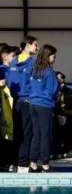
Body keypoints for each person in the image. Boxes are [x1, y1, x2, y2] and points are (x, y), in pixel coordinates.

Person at [7, 36, 37, 172]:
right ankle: (23, 163)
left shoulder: (13, 61)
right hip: (26, 101)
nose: (37, 48)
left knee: (17, 132)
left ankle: (15, 162)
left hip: (15, 101)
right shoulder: (32, 63)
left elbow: (10, 82)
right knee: (26, 133)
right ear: (28, 45)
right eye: (35, 45)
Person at [28, 44, 59, 173]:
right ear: (47, 56)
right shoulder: (49, 71)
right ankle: (45, 164)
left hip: (33, 104)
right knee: (45, 134)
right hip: (44, 105)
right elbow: (53, 90)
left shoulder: (35, 69)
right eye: (53, 56)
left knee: (36, 134)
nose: (55, 58)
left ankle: (33, 163)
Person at [53, 71, 72, 159]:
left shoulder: (69, 91)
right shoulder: (53, 90)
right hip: (56, 114)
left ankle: (69, 149)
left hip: (68, 115)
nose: (60, 81)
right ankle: (57, 151)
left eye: (61, 79)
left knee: (69, 128)